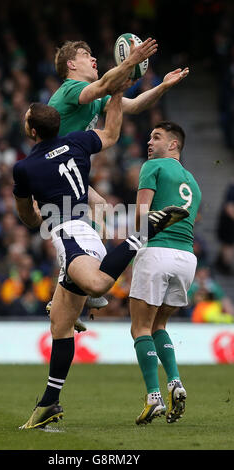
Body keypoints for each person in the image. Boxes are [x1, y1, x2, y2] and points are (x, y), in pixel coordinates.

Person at [13, 99, 188, 429]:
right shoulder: (76, 140)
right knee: (61, 326)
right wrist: (117, 94)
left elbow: (27, 215)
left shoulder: (24, 167)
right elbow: (112, 132)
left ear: (32, 131)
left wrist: (36, 218)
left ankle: (143, 231)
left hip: (69, 235)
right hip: (88, 230)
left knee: (97, 283)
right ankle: (49, 403)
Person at [47, 38, 189, 321]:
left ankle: (72, 290)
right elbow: (102, 87)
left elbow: (134, 105)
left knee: (98, 207)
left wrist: (162, 86)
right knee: (75, 225)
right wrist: (129, 63)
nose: (93, 59)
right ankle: (72, 286)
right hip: (53, 172)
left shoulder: (94, 96)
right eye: (86, 55)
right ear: (71, 65)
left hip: (68, 174)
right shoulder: (70, 90)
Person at [129, 121, 202, 425]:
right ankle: (175, 382)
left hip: (157, 251)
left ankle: (153, 397)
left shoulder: (153, 166)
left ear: (173, 145)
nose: (149, 142)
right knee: (160, 324)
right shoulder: (194, 183)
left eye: (156, 137)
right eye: (149, 137)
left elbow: (141, 217)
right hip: (186, 258)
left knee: (140, 328)